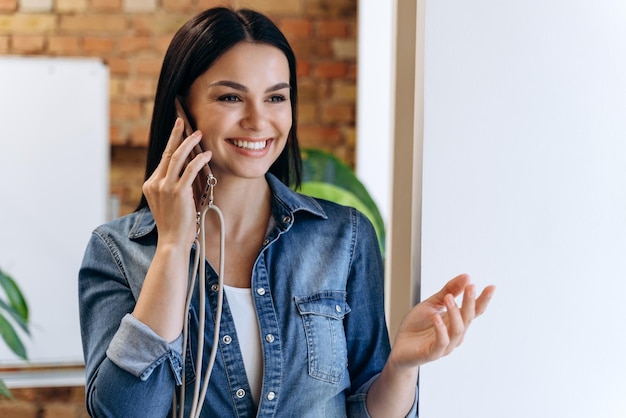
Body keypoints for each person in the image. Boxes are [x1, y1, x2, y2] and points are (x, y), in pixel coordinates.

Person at [78, 6, 495, 418]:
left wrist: (402, 366)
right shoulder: (117, 252)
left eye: (276, 97)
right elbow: (122, 413)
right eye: (231, 97)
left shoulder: (344, 238)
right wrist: (171, 246)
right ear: (182, 112)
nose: (259, 121)